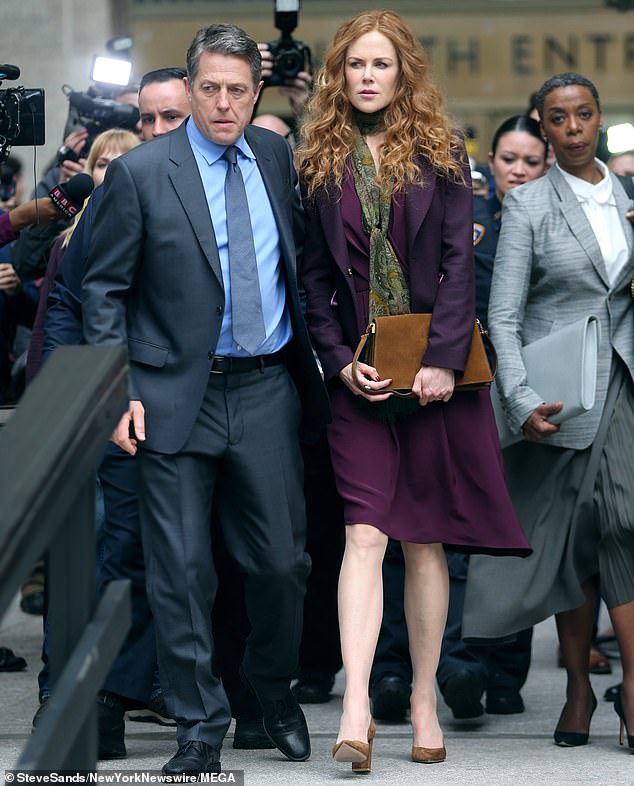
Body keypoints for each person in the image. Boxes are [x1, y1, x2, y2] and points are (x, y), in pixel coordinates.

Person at [81, 23, 329, 777]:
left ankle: (269, 688)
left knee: (282, 564)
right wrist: (116, 391)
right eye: (211, 88)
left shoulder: (277, 157)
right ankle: (199, 725)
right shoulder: (141, 173)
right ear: (190, 89)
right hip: (168, 395)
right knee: (182, 571)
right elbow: (103, 290)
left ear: (257, 93)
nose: (224, 104)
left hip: (264, 388)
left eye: (238, 90)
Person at [296, 9, 530, 772]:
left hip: (434, 376)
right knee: (364, 534)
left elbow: (459, 265)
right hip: (358, 378)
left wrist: (442, 359)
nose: (368, 76)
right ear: (340, 73)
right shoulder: (319, 158)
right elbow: (314, 277)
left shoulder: (442, 150)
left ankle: (424, 697)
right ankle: (358, 706)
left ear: (404, 73)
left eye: (382, 63)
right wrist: (336, 360)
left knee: (425, 539)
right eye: (356, 63)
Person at [463, 72, 634, 752]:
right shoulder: (531, 204)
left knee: (624, 520)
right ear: (543, 124)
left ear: (599, 118)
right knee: (577, 536)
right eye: (558, 118)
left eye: (583, 114)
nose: (573, 128)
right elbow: (502, 317)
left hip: (623, 383)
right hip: (563, 391)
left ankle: (632, 687)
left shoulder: (627, 196)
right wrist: (520, 398)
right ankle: (578, 686)